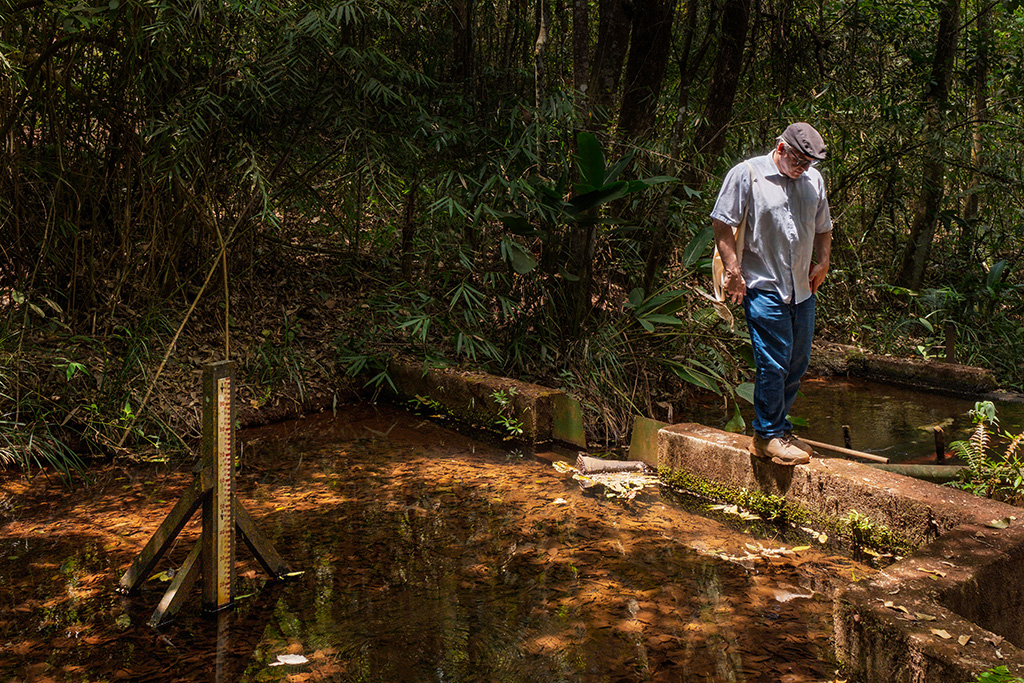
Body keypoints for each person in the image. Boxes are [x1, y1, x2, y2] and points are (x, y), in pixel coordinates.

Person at [710, 122, 832, 466]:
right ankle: (766, 437)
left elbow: (824, 227)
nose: (803, 169)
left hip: (802, 289)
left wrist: (823, 261)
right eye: (798, 161)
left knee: (797, 362)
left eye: (809, 164)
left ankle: (779, 428)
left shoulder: (813, 181)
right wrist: (733, 272)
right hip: (763, 286)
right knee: (773, 363)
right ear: (780, 149)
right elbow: (722, 223)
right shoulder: (747, 175)